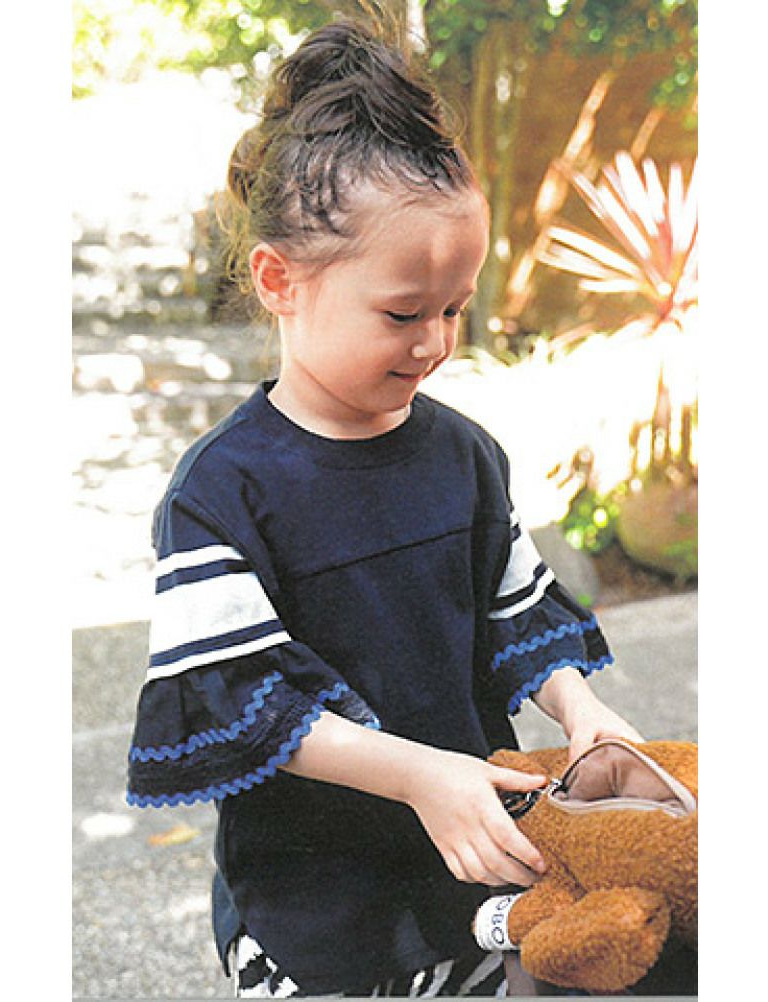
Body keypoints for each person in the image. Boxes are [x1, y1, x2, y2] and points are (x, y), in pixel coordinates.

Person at [126, 17, 643, 998]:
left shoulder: (465, 457)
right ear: (280, 280)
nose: (435, 341)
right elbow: (241, 700)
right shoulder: (223, 495)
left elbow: (517, 611)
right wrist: (417, 772)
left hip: (471, 873)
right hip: (313, 913)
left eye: (454, 308)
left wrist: (585, 711)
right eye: (403, 312)